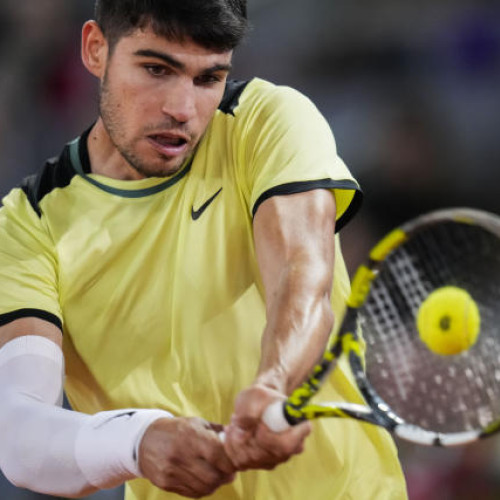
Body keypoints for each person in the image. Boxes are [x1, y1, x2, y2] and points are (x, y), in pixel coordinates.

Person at [0, 1, 407, 499]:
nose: (183, 109)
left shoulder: (266, 120)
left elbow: (301, 276)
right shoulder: (28, 223)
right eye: (156, 69)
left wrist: (274, 385)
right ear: (95, 50)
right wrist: (138, 441)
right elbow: (21, 437)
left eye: (208, 78)